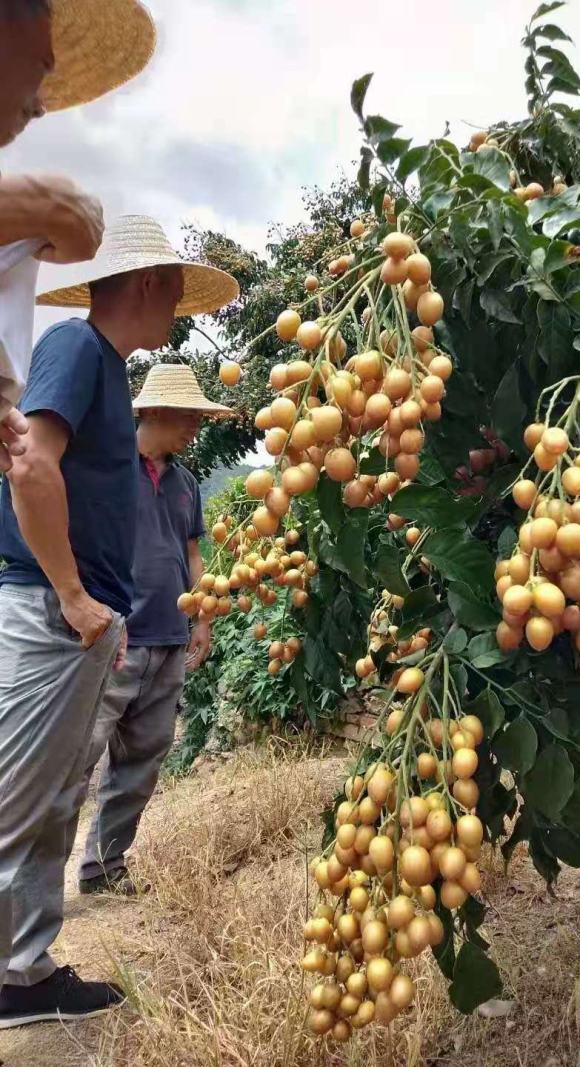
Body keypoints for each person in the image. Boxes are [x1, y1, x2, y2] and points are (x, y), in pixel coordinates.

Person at [0, 214, 239, 1028]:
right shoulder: (74, 350)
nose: (180, 307)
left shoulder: (100, 364)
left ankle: (23, 977)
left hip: (79, 618)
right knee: (19, 795)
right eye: (176, 290)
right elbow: (29, 462)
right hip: (45, 608)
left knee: (53, 797)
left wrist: (97, 601)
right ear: (148, 284)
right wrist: (70, 591)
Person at [76, 365, 233, 896]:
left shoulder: (186, 482)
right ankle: (31, 880)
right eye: (190, 417)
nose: (195, 427)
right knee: (76, 760)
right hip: (112, 639)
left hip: (167, 637)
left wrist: (203, 618)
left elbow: (193, 554)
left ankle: (104, 868)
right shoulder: (108, 467)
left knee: (141, 761)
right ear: (157, 412)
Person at [0, 0, 157, 472]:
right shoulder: (79, 348)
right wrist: (39, 203)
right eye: (45, 64)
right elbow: (34, 468)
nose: (43, 104)